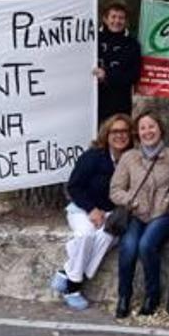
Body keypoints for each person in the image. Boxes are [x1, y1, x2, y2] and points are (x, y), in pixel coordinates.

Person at [49, 114, 134, 310]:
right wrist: (92, 209)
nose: (120, 135)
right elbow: (74, 187)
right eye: (115, 131)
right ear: (107, 134)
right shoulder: (93, 156)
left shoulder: (132, 158)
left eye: (124, 131)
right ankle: (73, 287)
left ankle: (66, 272)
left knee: (108, 236)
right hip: (83, 208)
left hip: (112, 213)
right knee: (85, 235)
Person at [109, 111, 169, 318]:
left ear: (160, 129)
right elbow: (115, 189)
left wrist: (167, 201)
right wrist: (130, 200)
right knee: (128, 247)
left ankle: (152, 296)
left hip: (162, 214)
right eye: (143, 128)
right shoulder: (130, 157)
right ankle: (124, 297)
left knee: (147, 245)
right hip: (137, 212)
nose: (148, 131)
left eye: (152, 126)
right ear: (138, 133)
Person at [93, 0, 141, 122]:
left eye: (121, 18)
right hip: (92, 103)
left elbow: (133, 75)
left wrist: (107, 75)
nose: (116, 21)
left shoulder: (132, 44)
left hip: (119, 106)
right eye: (113, 17)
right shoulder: (92, 39)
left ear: (125, 21)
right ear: (105, 19)